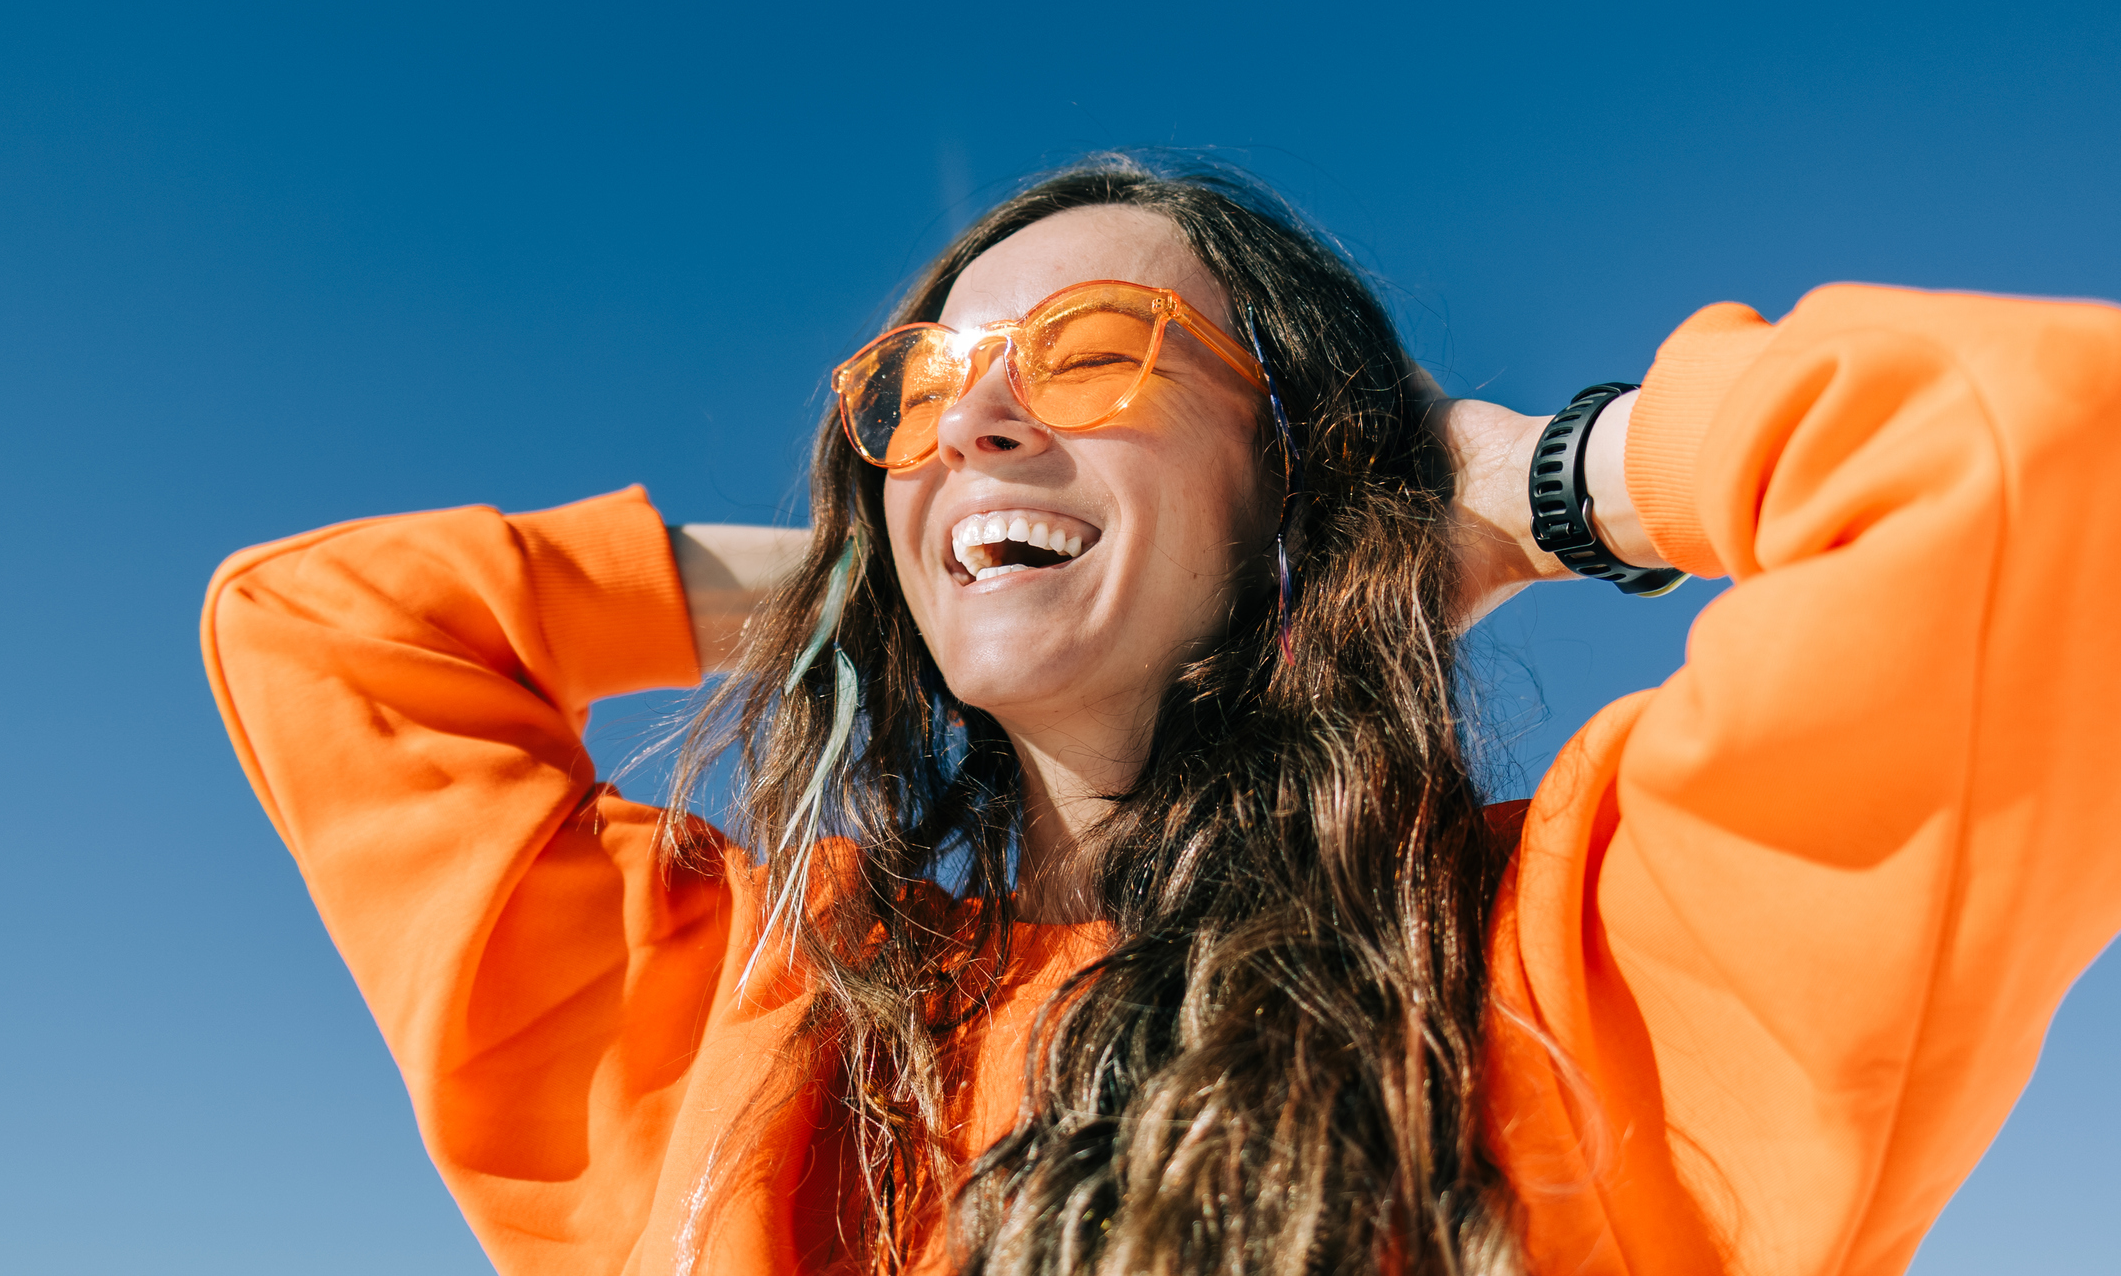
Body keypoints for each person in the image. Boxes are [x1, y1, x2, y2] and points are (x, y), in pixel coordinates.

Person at [201, 155, 2121, 1276]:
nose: (973, 416)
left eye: (1092, 353)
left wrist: (1539, 484)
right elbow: (321, 640)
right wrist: (890, 569)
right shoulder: (753, 1025)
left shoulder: (1576, 975)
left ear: (1300, 476)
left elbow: (2042, 467)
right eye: (923, 388)